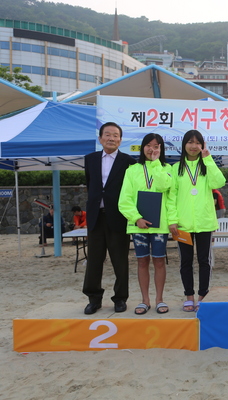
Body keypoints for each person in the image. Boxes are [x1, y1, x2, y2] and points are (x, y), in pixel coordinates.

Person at [168, 130, 226, 312]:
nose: (193, 146)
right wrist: (172, 220)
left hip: (204, 223)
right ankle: (189, 297)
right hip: (183, 225)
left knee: (204, 261)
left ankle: (202, 296)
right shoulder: (175, 168)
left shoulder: (206, 166)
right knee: (185, 261)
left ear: (202, 145)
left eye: (197, 143)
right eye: (190, 142)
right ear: (184, 144)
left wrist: (208, 159)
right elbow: (171, 197)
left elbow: (219, 182)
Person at [82, 122, 136, 315]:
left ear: (120, 140)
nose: (111, 138)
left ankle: (120, 298)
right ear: (100, 138)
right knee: (94, 260)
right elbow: (91, 185)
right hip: (96, 217)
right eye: (107, 134)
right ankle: (93, 299)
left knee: (120, 261)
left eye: (115, 135)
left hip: (118, 217)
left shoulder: (129, 162)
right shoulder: (90, 159)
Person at [119, 133, 172, 315]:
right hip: (138, 224)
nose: (152, 149)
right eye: (148, 145)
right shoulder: (132, 170)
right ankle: (145, 300)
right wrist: (136, 218)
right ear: (142, 147)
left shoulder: (167, 168)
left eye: (156, 146)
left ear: (161, 149)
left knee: (159, 261)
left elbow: (164, 186)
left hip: (160, 225)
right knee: (142, 261)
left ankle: (159, 299)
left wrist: (156, 164)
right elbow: (124, 199)